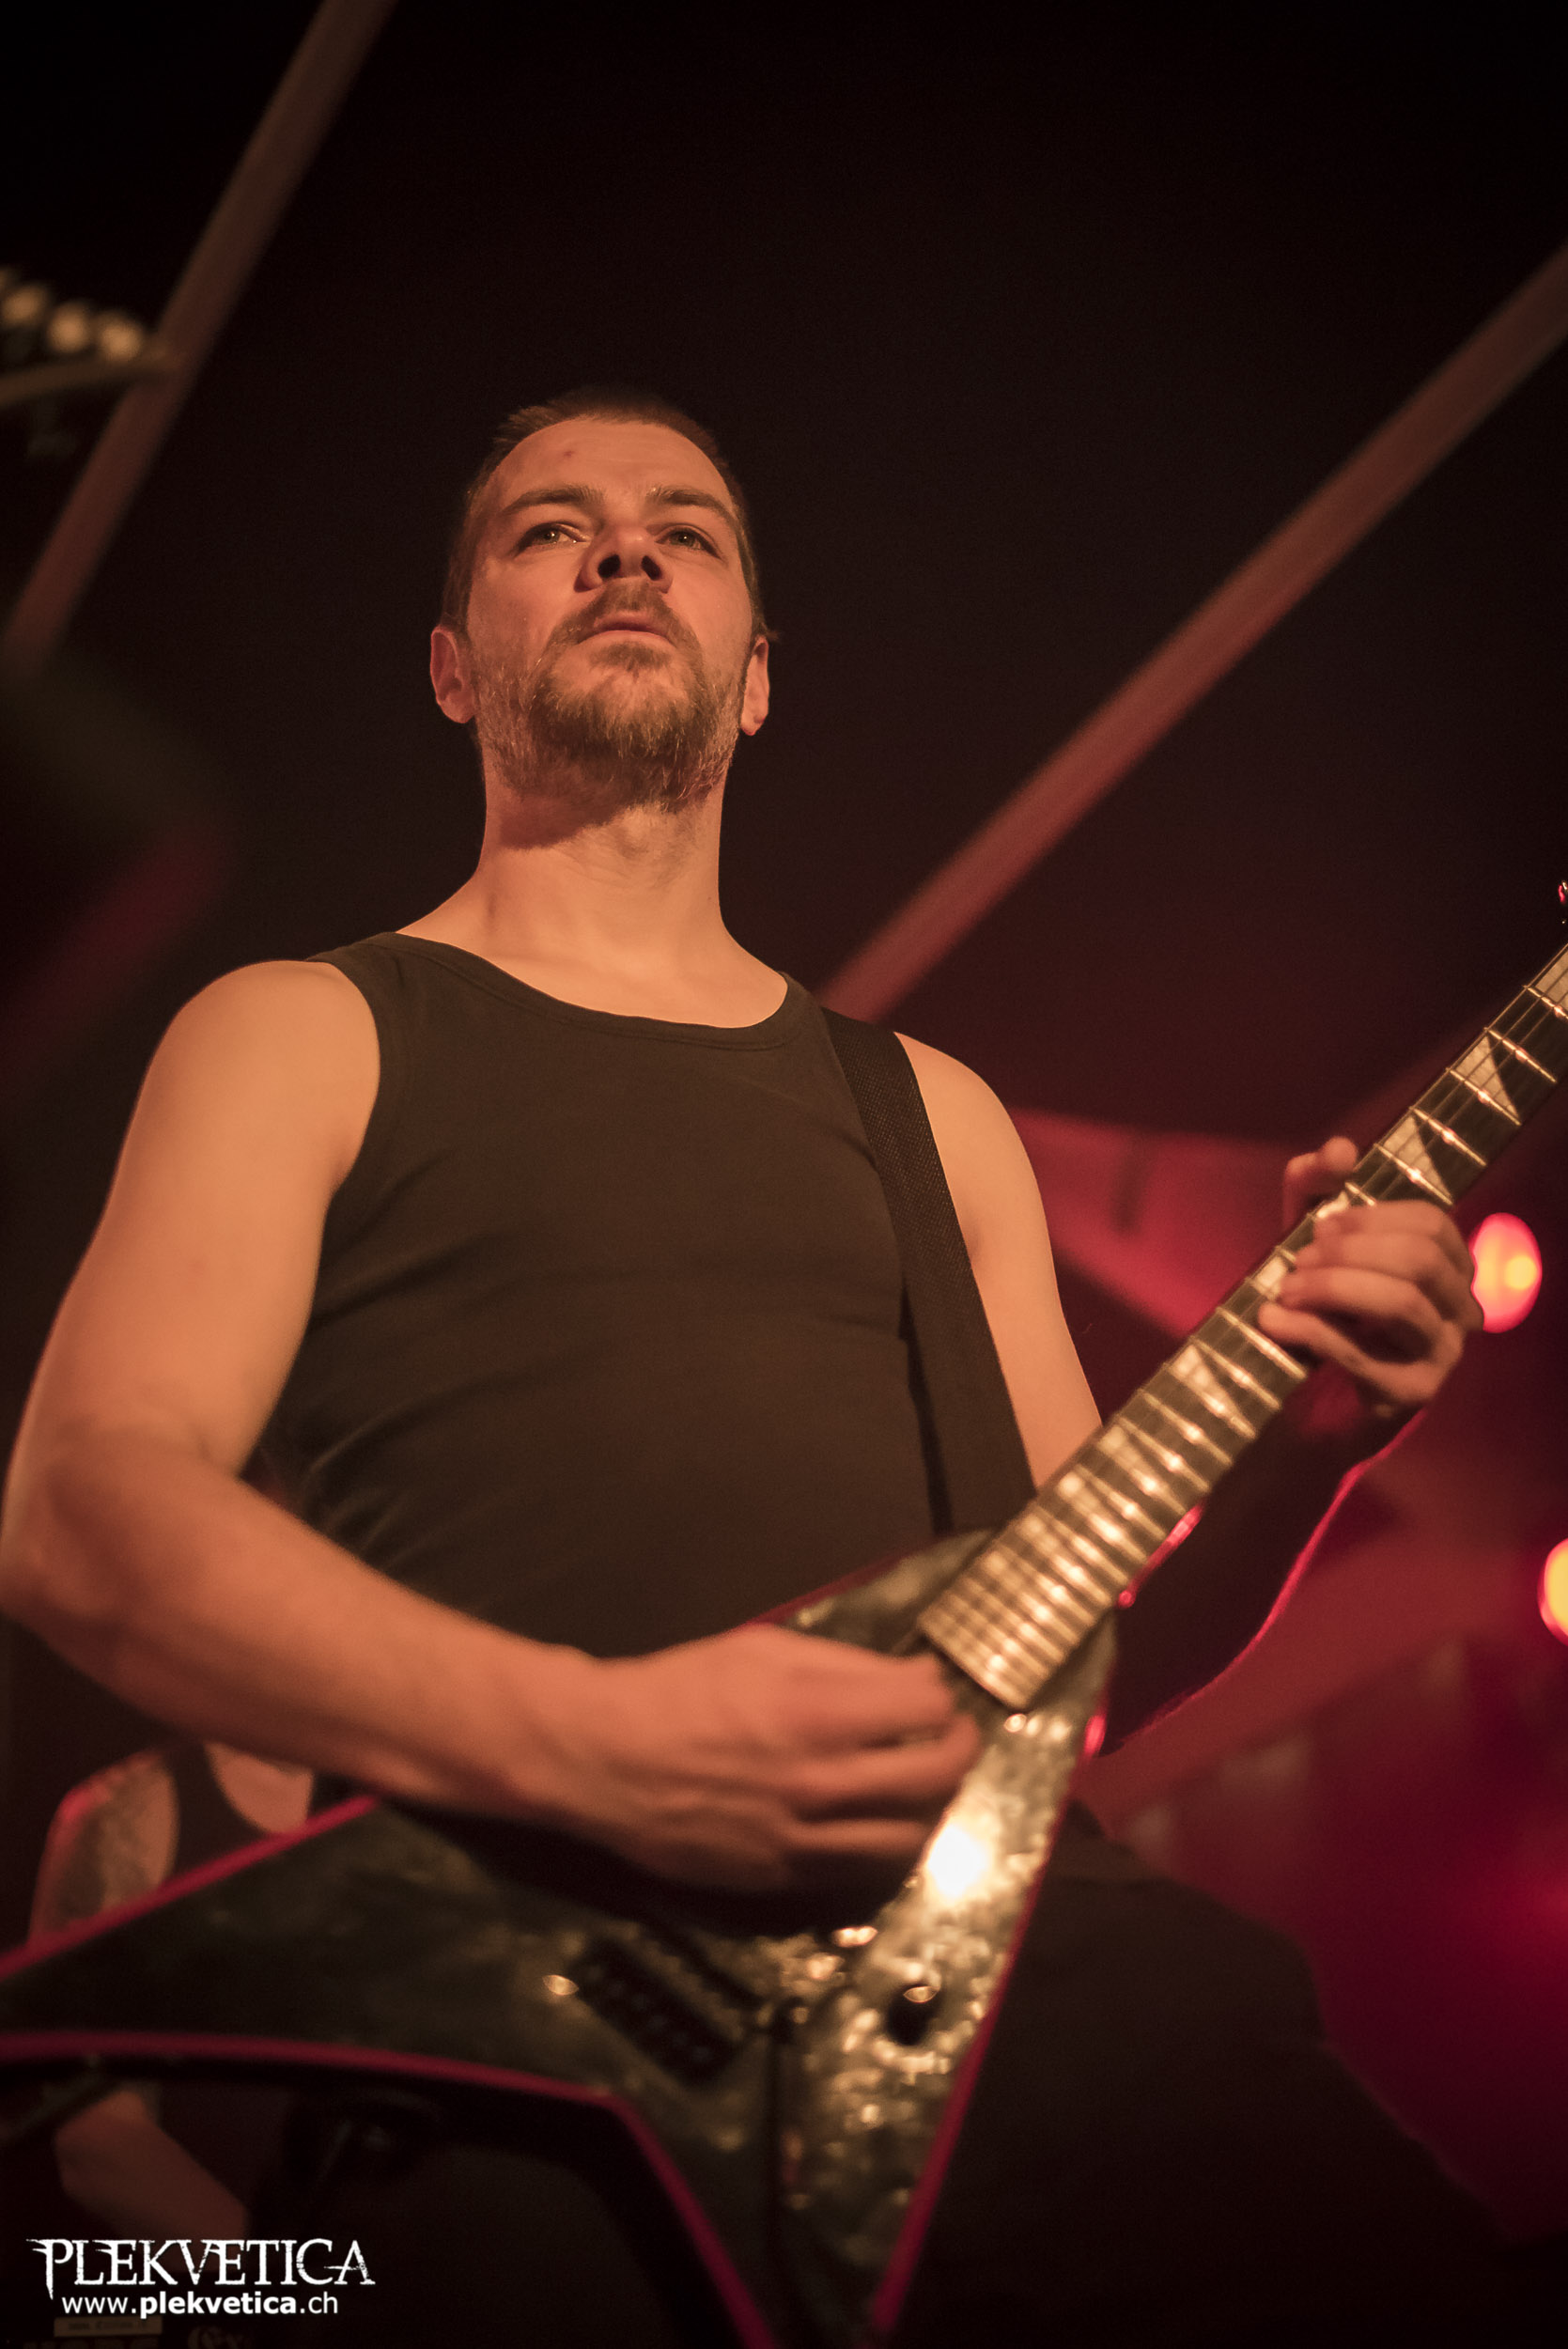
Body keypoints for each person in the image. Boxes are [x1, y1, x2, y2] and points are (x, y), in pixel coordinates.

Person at [0, 391, 1508, 2341]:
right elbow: (81, 1508)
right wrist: (597, 1743)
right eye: (550, 527)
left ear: (761, 676)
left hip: (1054, 2028)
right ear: (452, 670)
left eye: (686, 530)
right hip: (556, 2093)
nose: (625, 549)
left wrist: (1308, 1446)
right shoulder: (303, 1028)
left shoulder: (933, 1112)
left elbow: (1082, 1666)